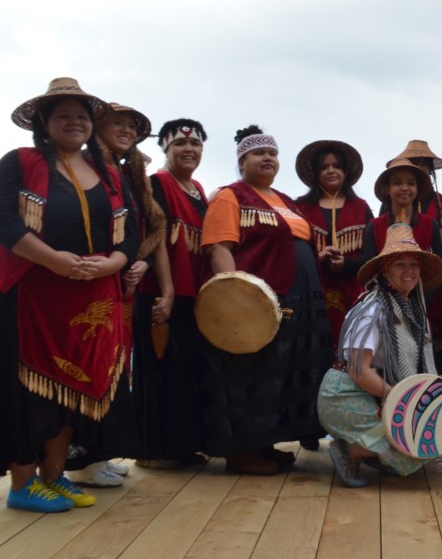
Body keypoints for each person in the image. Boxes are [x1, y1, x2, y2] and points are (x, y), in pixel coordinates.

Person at [1, 78, 139, 512]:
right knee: (28, 388)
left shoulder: (108, 172)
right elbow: (5, 222)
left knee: (70, 387)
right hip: (32, 292)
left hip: (92, 296)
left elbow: (131, 232)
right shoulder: (19, 162)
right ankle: (22, 484)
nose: (74, 122)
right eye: (63, 115)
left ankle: (54, 476)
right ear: (44, 122)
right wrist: (53, 260)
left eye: (81, 116)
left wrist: (114, 263)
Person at [201, 125, 332, 475]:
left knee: (283, 372)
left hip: (299, 300)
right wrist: (231, 297)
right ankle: (242, 451)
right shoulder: (231, 196)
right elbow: (219, 247)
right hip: (258, 301)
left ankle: (266, 444)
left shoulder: (284, 200)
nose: (268, 159)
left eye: (273, 154)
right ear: (242, 161)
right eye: (259, 154)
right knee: (254, 371)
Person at [67, 102, 168, 487]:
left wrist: (137, 260)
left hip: (122, 281)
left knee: (116, 366)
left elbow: (140, 228)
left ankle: (100, 452)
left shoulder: (127, 173)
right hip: (95, 276)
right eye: (117, 124)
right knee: (90, 364)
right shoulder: (89, 168)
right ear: (98, 128)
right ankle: (81, 458)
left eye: (132, 125)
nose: (126, 130)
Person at [317, 224, 442, 487]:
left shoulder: (411, 311)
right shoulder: (372, 309)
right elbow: (358, 370)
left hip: (378, 390)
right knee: (413, 448)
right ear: (385, 270)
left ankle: (376, 451)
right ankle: (351, 450)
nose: (409, 272)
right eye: (400, 265)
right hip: (347, 394)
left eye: (414, 265)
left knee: (431, 440)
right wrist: (397, 401)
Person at [135, 118, 210, 469]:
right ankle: (153, 449)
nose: (189, 150)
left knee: (186, 370)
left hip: (193, 295)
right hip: (165, 293)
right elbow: (156, 241)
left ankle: (182, 445)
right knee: (159, 369)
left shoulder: (198, 190)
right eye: (180, 145)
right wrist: (165, 292)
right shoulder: (157, 184)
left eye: (195, 145)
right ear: (165, 147)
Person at [363, 158, 442, 382]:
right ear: (387, 189)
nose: (405, 188)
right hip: (383, 305)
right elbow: (368, 268)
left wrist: (417, 302)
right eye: (397, 183)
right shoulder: (374, 226)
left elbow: (437, 264)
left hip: (424, 301)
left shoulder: (429, 225)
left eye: (411, 183)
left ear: (418, 189)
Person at [294, 140, 373, 348]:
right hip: (312, 292)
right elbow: (290, 253)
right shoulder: (299, 207)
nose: (331, 170)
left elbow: (372, 256)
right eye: (324, 167)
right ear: (315, 173)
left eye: (337, 166)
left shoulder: (361, 208)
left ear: (346, 171)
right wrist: (317, 259)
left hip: (354, 292)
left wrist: (347, 264)